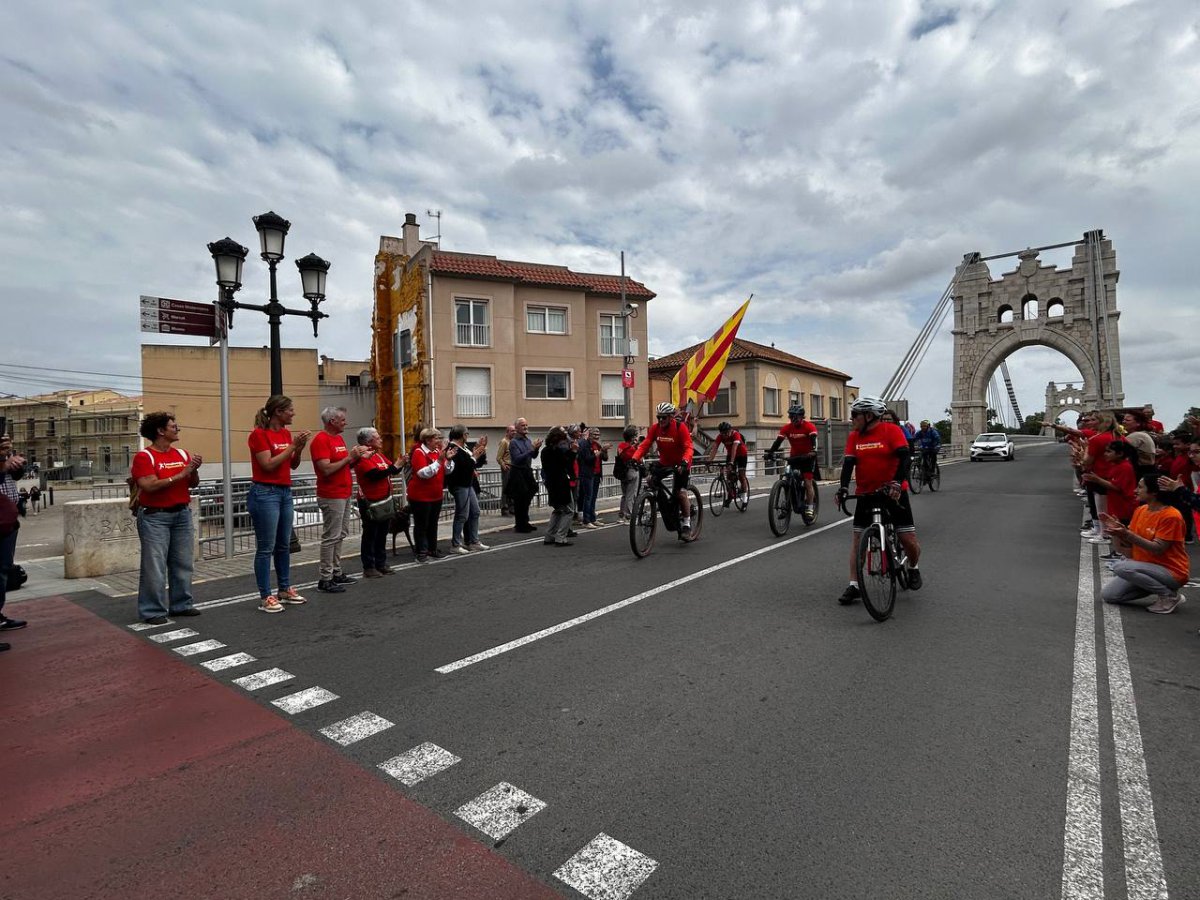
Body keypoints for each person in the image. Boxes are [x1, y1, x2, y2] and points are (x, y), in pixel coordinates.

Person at [835, 396, 922, 605]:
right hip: (866, 493)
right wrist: (843, 488)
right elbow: (848, 465)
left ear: (869, 415)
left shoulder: (891, 431)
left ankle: (913, 566)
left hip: (893, 493)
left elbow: (905, 458)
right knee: (858, 541)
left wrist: (897, 482)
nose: (851, 418)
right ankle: (854, 585)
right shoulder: (854, 437)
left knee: (907, 539)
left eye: (854, 414)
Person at [130, 412, 203, 624]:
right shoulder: (145, 457)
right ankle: (152, 610)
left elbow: (192, 483)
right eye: (173, 426)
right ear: (160, 431)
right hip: (155, 517)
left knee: (183, 563)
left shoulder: (182, 454)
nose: (177, 429)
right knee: (154, 566)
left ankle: (181, 604)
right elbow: (149, 485)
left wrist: (194, 471)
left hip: (181, 514)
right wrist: (181, 473)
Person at [247, 395, 310, 614]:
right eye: (290, 410)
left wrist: (298, 449)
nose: (293, 413)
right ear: (278, 412)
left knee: (283, 544)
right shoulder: (259, 435)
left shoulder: (284, 433)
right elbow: (267, 464)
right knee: (266, 547)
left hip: (284, 491)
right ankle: (266, 595)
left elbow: (292, 464)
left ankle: (284, 588)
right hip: (265, 492)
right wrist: (292, 446)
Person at [1101, 475, 1189, 613]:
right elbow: (1128, 549)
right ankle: (1162, 590)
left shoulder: (1171, 516)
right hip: (1144, 568)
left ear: (1154, 492)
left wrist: (1127, 534)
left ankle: (1168, 596)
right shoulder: (1140, 510)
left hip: (1171, 571)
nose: (1135, 490)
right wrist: (1117, 534)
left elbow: (1158, 549)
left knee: (1120, 567)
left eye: (1140, 487)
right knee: (1109, 595)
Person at [310, 407, 367, 594]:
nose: (345, 423)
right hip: (331, 494)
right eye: (342, 420)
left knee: (340, 534)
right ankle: (325, 578)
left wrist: (356, 458)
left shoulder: (338, 439)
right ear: (332, 421)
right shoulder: (321, 440)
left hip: (344, 493)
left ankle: (336, 571)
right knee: (331, 536)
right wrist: (349, 457)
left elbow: (344, 465)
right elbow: (326, 469)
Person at [631, 402, 694, 533]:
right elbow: (645, 444)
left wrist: (684, 461)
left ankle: (686, 523)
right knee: (650, 480)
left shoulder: (680, 427)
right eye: (658, 417)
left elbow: (689, 447)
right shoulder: (655, 428)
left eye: (663, 417)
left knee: (681, 493)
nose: (660, 420)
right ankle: (664, 503)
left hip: (681, 463)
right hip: (665, 462)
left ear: (671, 417)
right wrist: (634, 458)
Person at [353, 427, 404, 578]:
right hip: (370, 501)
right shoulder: (363, 457)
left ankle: (381, 563)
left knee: (382, 533)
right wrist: (395, 466)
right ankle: (369, 566)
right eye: (377, 437)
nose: (381, 439)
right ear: (369, 441)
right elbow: (374, 475)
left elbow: (392, 470)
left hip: (384, 500)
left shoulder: (379, 455)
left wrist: (400, 464)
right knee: (370, 534)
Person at [408, 427, 454, 562]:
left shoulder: (437, 452)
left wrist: (448, 460)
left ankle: (432, 549)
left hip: (435, 494)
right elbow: (422, 473)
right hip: (421, 495)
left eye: (439, 438)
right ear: (427, 440)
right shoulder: (419, 452)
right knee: (421, 524)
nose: (439, 441)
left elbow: (447, 471)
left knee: (433, 524)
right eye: (436, 438)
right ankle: (421, 552)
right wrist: (439, 462)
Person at [0, 432, 28, 649]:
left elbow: (14, 477)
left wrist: (14, 464)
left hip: (7, 518)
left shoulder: (6, 455)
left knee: (3, 569)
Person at [1084, 441, 1138, 552]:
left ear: (1120, 454)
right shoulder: (1116, 465)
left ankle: (1122, 553)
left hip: (1124, 505)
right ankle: (1117, 552)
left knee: (1120, 529)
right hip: (1115, 503)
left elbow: (1117, 487)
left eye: (1109, 451)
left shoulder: (1125, 467)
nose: (1105, 454)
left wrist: (1097, 480)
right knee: (1114, 528)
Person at [766, 404, 819, 512]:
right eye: (791, 417)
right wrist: (770, 452)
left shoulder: (809, 426)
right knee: (789, 476)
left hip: (808, 457)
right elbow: (778, 441)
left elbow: (814, 440)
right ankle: (787, 504)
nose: (793, 419)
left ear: (802, 416)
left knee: (807, 482)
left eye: (795, 417)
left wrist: (813, 451)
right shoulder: (787, 428)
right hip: (794, 456)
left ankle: (810, 507)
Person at [446, 424, 489, 553]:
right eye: (466, 433)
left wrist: (480, 451)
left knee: (475, 511)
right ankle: (456, 544)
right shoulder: (453, 448)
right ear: (462, 435)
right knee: (462, 514)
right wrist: (474, 457)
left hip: (468, 484)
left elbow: (476, 463)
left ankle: (474, 541)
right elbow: (465, 466)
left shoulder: (463, 448)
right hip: (460, 485)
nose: (467, 436)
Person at [540, 426, 576, 546]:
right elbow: (567, 463)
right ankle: (561, 537)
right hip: (561, 483)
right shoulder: (558, 452)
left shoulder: (545, 451)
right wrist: (573, 452)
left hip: (551, 483)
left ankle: (549, 535)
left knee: (558, 509)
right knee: (569, 510)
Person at [507, 418, 541, 533]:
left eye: (526, 425)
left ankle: (525, 521)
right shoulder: (514, 442)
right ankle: (520, 525)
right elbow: (517, 459)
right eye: (523, 425)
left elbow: (533, 456)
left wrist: (536, 449)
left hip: (527, 471)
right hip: (518, 472)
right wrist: (531, 450)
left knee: (529, 494)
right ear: (516, 428)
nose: (525, 427)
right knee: (519, 499)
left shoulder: (527, 440)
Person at [706, 422, 749, 506]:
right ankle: (730, 494)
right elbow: (714, 448)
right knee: (729, 476)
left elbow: (734, 448)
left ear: (730, 430)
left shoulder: (735, 434)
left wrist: (731, 462)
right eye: (723, 433)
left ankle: (744, 499)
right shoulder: (720, 436)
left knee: (741, 476)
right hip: (730, 454)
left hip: (742, 455)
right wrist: (709, 461)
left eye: (726, 433)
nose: (725, 435)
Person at [614, 425, 641, 525]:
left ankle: (621, 515)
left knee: (624, 495)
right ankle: (628, 516)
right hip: (631, 471)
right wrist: (637, 447)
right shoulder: (631, 449)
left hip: (622, 472)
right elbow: (638, 459)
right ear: (632, 437)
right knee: (631, 495)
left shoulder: (620, 446)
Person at [497, 424, 516, 516]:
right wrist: (503, 465)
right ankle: (504, 508)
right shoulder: (504, 442)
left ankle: (512, 507)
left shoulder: (513, 442)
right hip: (507, 467)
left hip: (514, 468)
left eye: (515, 431)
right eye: (512, 431)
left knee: (513, 488)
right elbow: (499, 457)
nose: (514, 432)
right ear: (507, 432)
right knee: (506, 488)